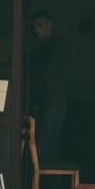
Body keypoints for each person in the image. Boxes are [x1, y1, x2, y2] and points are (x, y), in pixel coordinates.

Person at [30, 10, 69, 164]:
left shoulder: (55, 45)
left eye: (39, 25)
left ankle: (46, 186)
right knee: (50, 146)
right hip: (53, 102)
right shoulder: (50, 45)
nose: (36, 30)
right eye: (35, 26)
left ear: (50, 24)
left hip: (52, 102)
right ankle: (53, 186)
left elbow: (47, 71)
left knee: (45, 147)